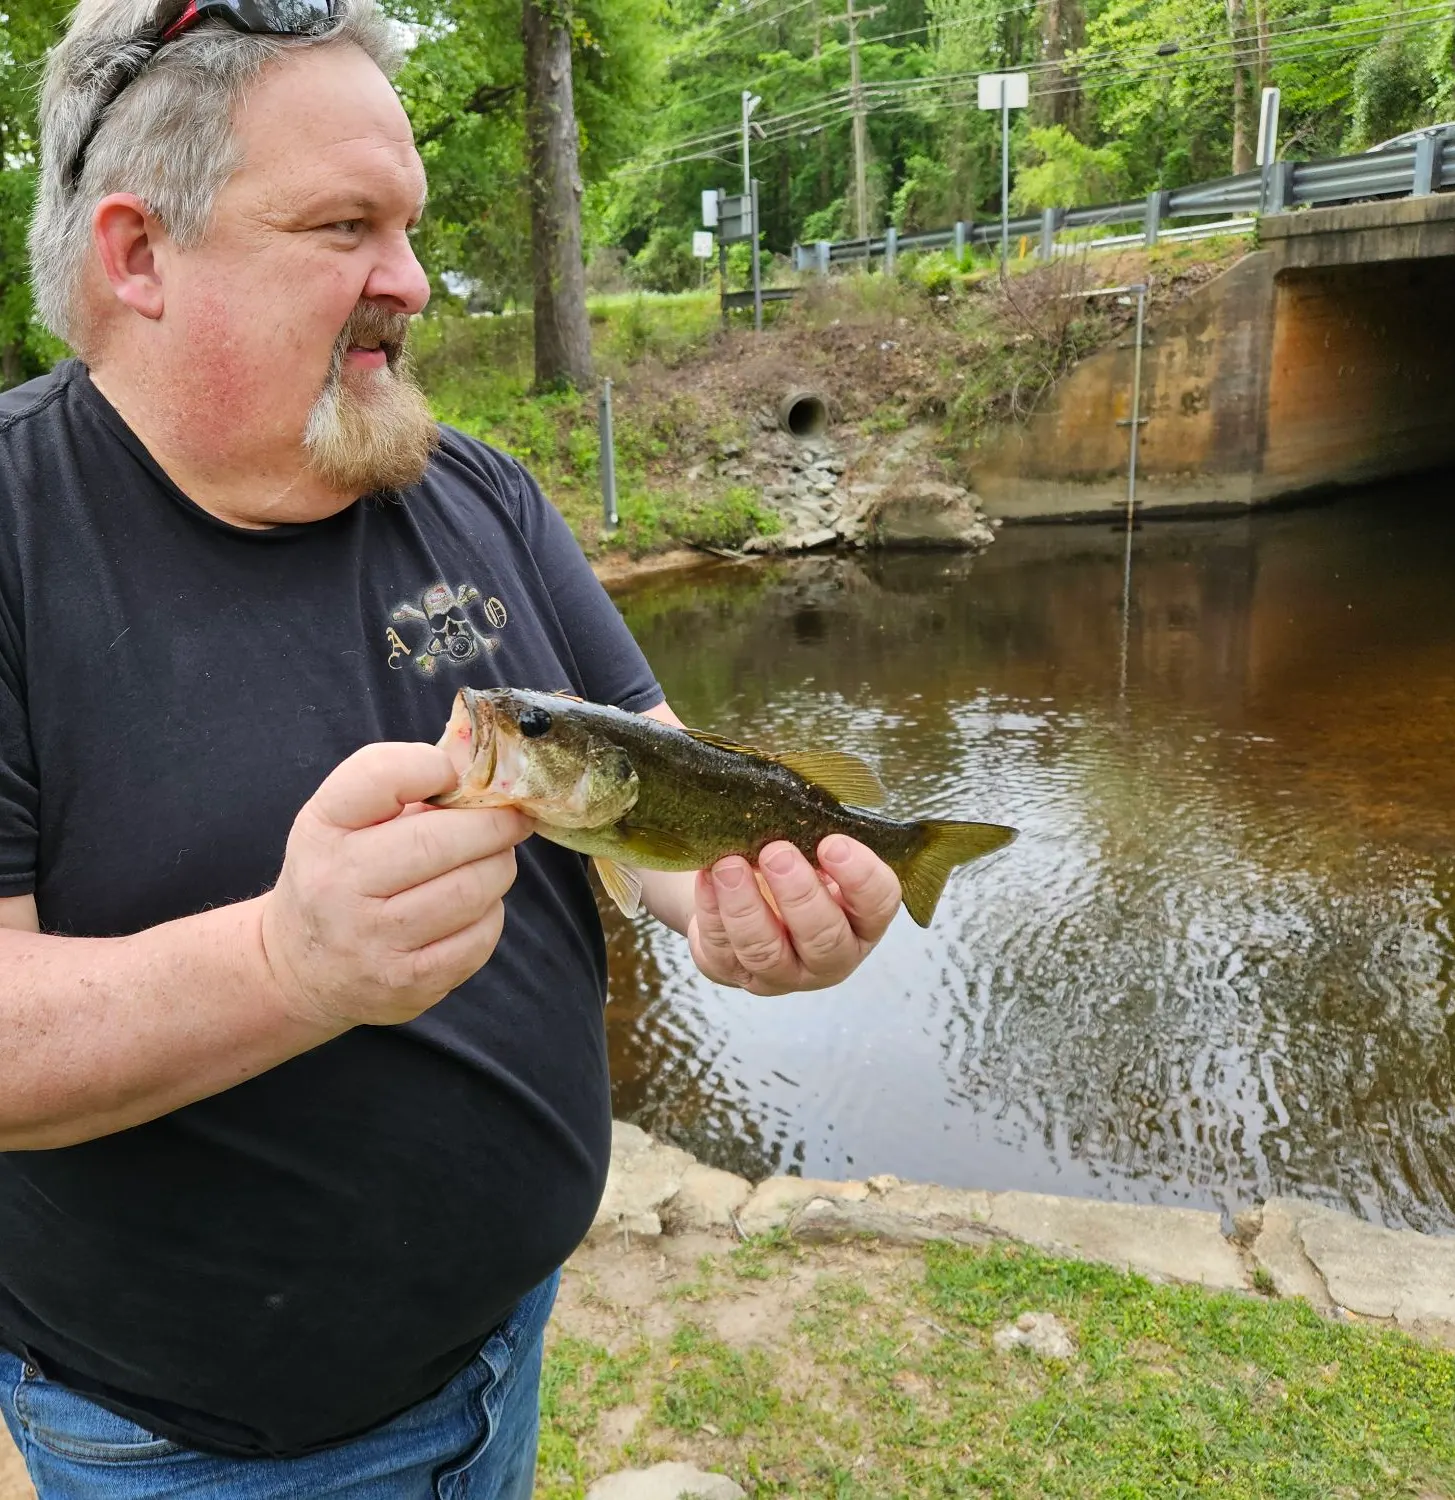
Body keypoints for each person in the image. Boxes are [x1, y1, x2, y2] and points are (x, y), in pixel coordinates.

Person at [0, 0, 904, 1494]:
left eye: (410, 227)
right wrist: (289, 966)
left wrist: (746, 907)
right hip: (202, 1448)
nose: (411, 282)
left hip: (502, 1343)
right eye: (345, 224)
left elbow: (652, 783)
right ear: (137, 255)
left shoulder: (471, 486)